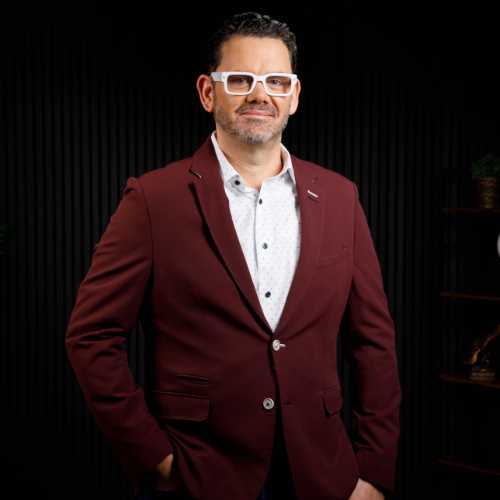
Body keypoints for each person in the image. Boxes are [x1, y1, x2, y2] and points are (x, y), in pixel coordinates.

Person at [65, 11, 401, 500]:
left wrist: (373, 471)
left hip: (322, 473)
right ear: (208, 92)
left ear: (294, 96)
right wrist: (154, 459)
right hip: (201, 474)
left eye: (276, 82)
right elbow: (91, 336)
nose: (260, 95)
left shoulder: (340, 197)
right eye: (241, 80)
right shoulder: (154, 200)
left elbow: (374, 342)